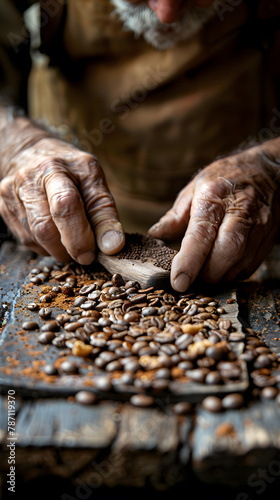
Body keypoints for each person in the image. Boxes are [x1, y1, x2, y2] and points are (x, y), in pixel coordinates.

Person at [0, 0, 280, 292]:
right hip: (65, 226)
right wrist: (20, 144)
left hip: (259, 230)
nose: (167, 15)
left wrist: (271, 163)